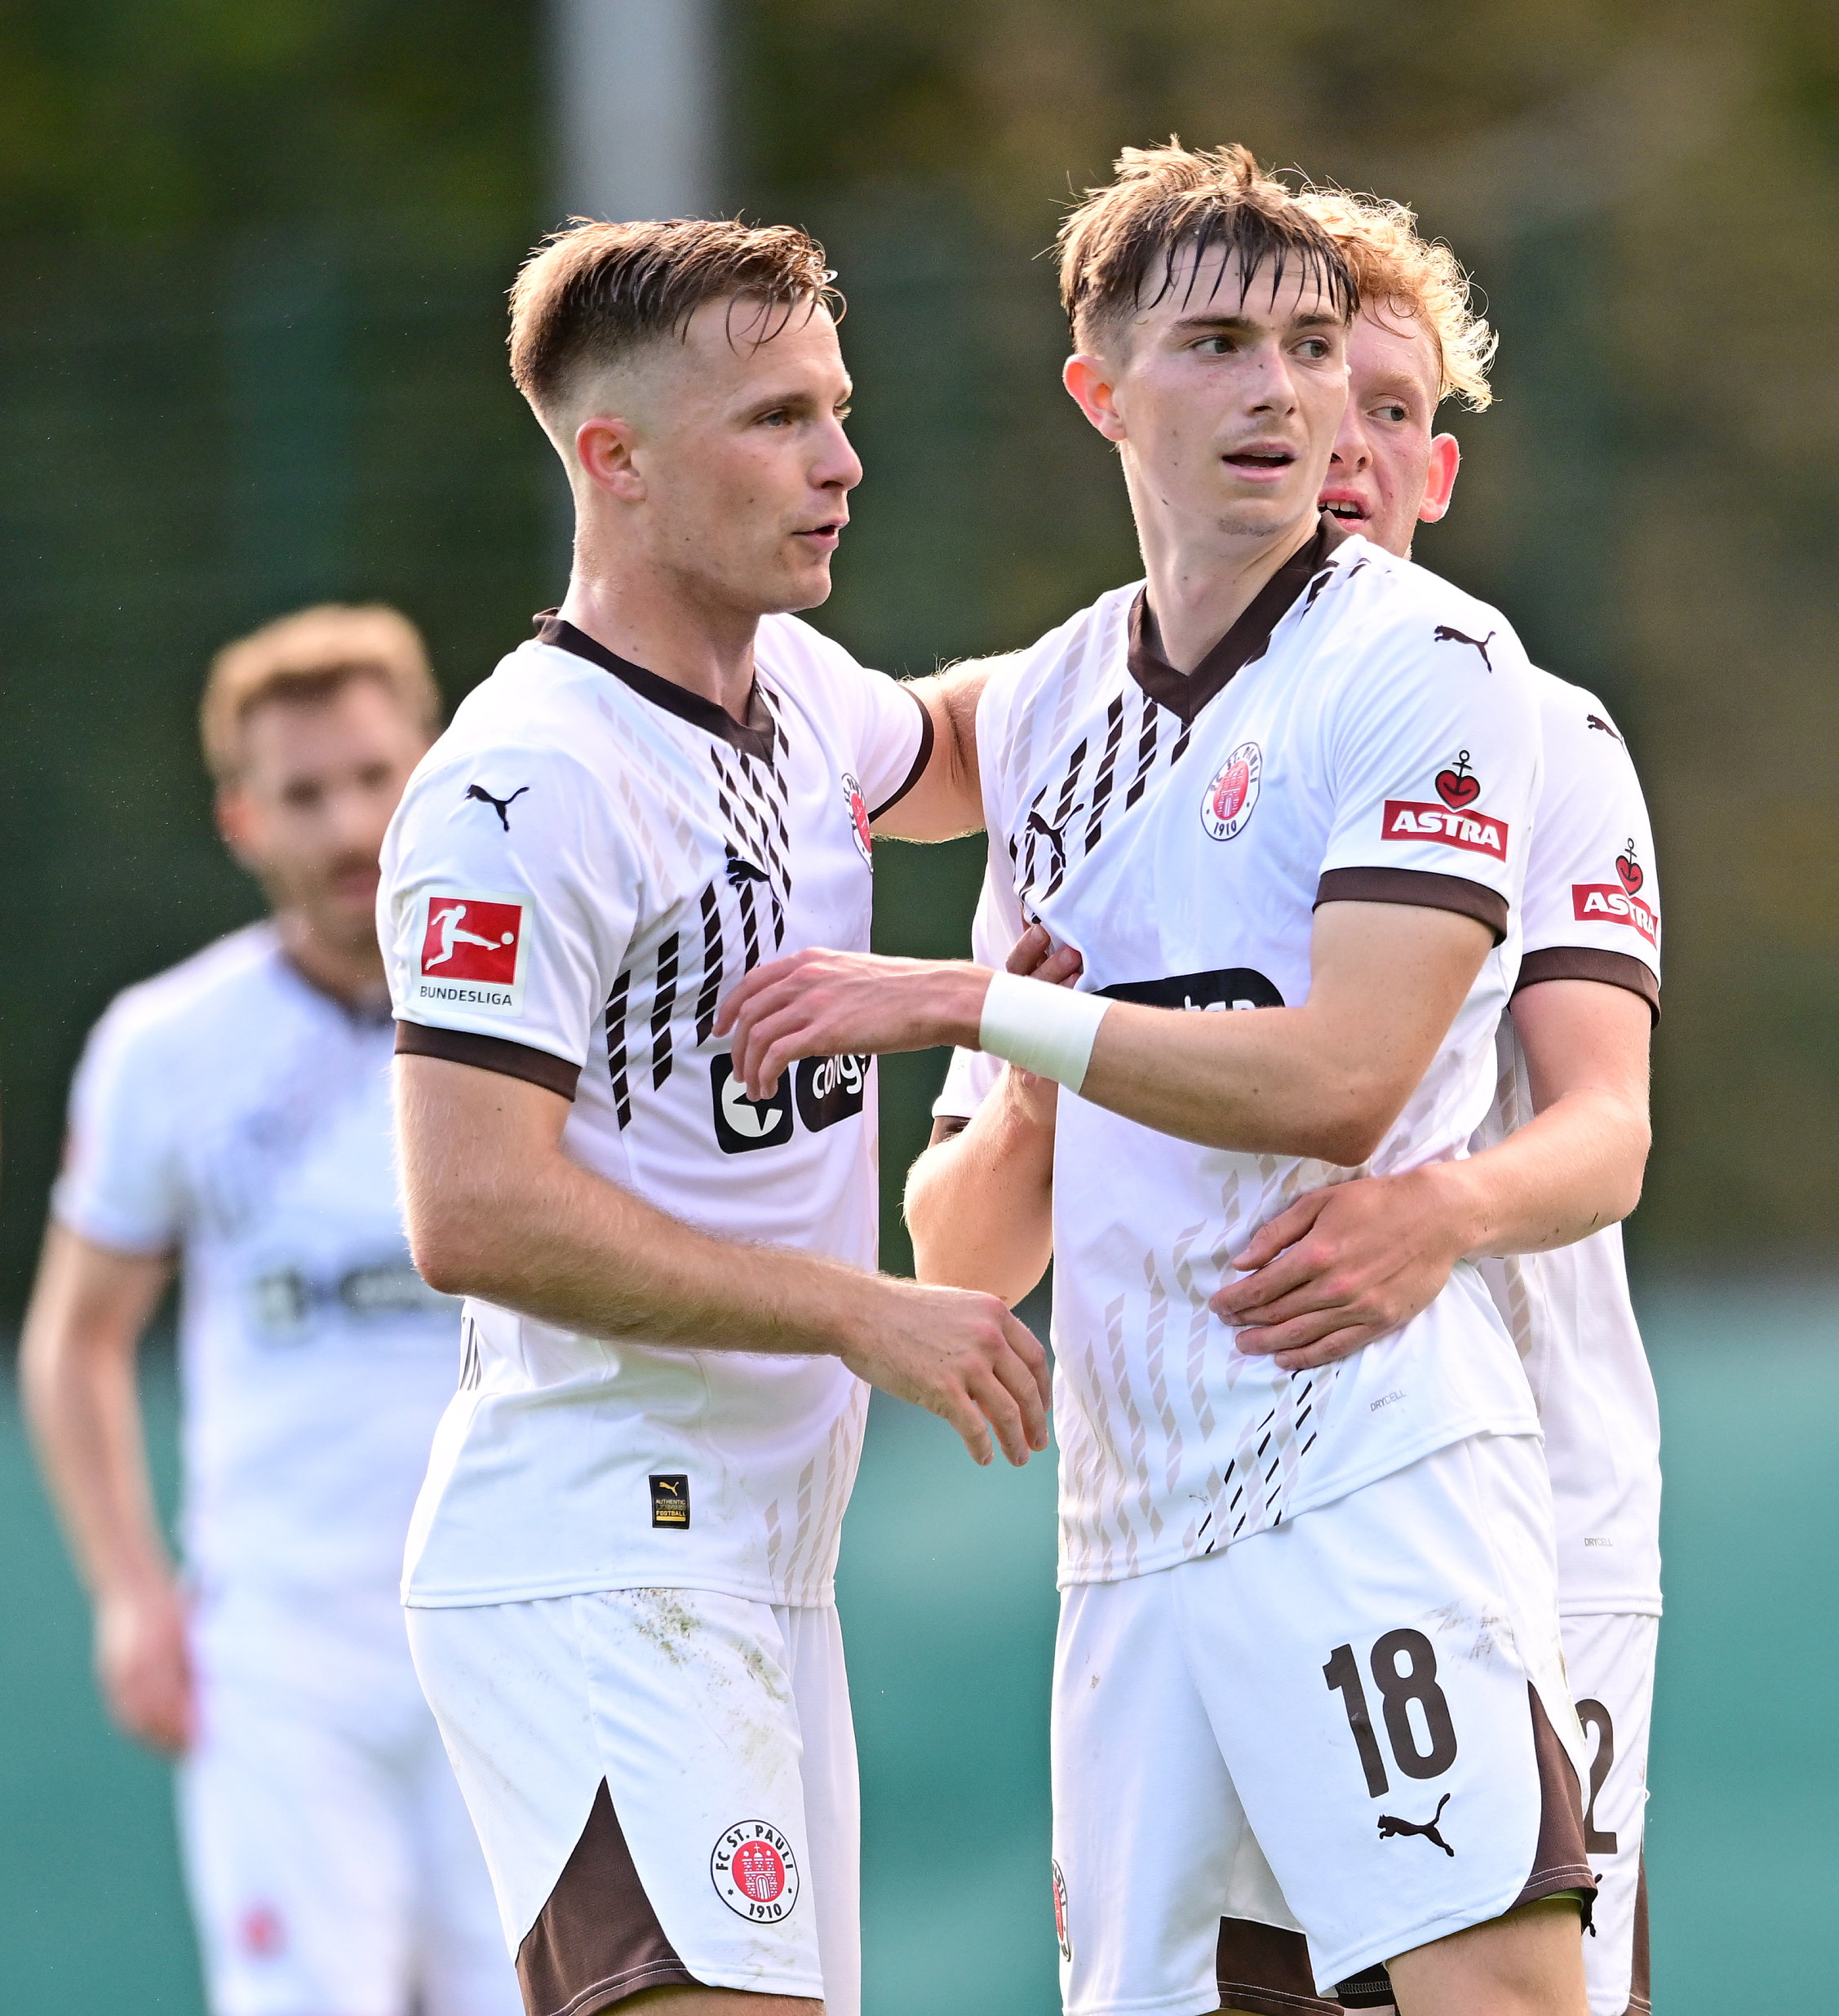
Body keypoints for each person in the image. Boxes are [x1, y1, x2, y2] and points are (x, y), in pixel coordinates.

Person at [713, 144, 1590, 2016]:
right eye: (1215, 344)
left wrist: (975, 1006)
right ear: (1102, 395)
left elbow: (1347, 1079)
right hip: (1127, 1525)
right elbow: (961, 1256)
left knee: (1497, 1999)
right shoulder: (1048, 709)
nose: (1282, 393)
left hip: (1366, 1465)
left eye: (1304, 347)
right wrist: (1019, 1089)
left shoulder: (1429, 657)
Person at [376, 217, 1043, 2016]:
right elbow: (475, 1212)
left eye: (837, 409)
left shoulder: (803, 695)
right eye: (774, 420)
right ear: (615, 461)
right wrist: (858, 1309)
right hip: (600, 1544)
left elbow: (974, 745)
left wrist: (1204, 630)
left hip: (761, 1559)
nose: (839, 461)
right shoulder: (525, 786)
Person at [1177, 186, 1663, 2016]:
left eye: (1390, 408)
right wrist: (1032, 1072)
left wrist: (1435, 1210)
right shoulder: (1109, 733)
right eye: (1307, 388)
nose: (1342, 442)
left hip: (1522, 1492)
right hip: (1213, 1509)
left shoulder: (1540, 728)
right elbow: (971, 1218)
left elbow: (1603, 1133)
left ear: (1438, 472)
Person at [21, 605, 518, 2016]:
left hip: (513, 1626)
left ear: (431, 769)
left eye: (374, 777)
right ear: (243, 819)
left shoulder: (548, 1000)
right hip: (286, 1658)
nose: (350, 822)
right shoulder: (167, 1049)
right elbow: (76, 1336)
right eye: (304, 794)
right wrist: (129, 1596)